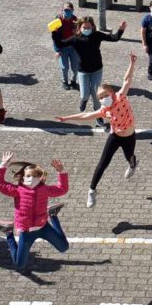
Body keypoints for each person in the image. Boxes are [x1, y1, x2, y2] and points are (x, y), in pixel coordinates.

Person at [55, 53, 139, 208]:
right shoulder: (104, 110)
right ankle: (92, 191)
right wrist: (67, 118)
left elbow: (126, 80)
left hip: (130, 136)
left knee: (130, 157)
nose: (103, 100)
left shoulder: (121, 97)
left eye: (105, 96)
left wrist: (132, 63)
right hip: (115, 136)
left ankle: (133, 164)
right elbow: (86, 115)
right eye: (100, 98)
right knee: (103, 163)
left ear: (112, 93)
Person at [0, 151, 70, 271]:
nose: (31, 179)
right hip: (26, 232)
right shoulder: (17, 190)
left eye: (35, 176)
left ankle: (52, 215)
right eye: (28, 176)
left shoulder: (45, 189)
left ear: (40, 178)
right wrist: (3, 164)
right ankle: (8, 232)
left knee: (63, 247)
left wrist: (61, 171)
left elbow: (62, 189)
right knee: (19, 264)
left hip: (43, 227)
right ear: (22, 178)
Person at [57, 16, 127, 128]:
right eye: (84, 27)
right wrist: (54, 32)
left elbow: (114, 38)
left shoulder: (97, 35)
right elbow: (60, 44)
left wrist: (121, 29)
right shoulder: (75, 39)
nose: (87, 29)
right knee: (84, 94)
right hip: (83, 72)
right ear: (79, 28)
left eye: (89, 27)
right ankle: (84, 100)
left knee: (96, 95)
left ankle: (99, 116)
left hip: (97, 70)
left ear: (93, 27)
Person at [51, 2, 80, 90]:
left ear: (73, 10)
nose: (67, 11)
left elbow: (78, 34)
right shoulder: (57, 20)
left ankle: (73, 81)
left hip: (73, 48)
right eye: (65, 10)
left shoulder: (75, 20)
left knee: (75, 67)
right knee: (64, 67)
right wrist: (57, 50)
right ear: (62, 10)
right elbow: (54, 36)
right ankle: (65, 82)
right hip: (62, 47)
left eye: (69, 10)